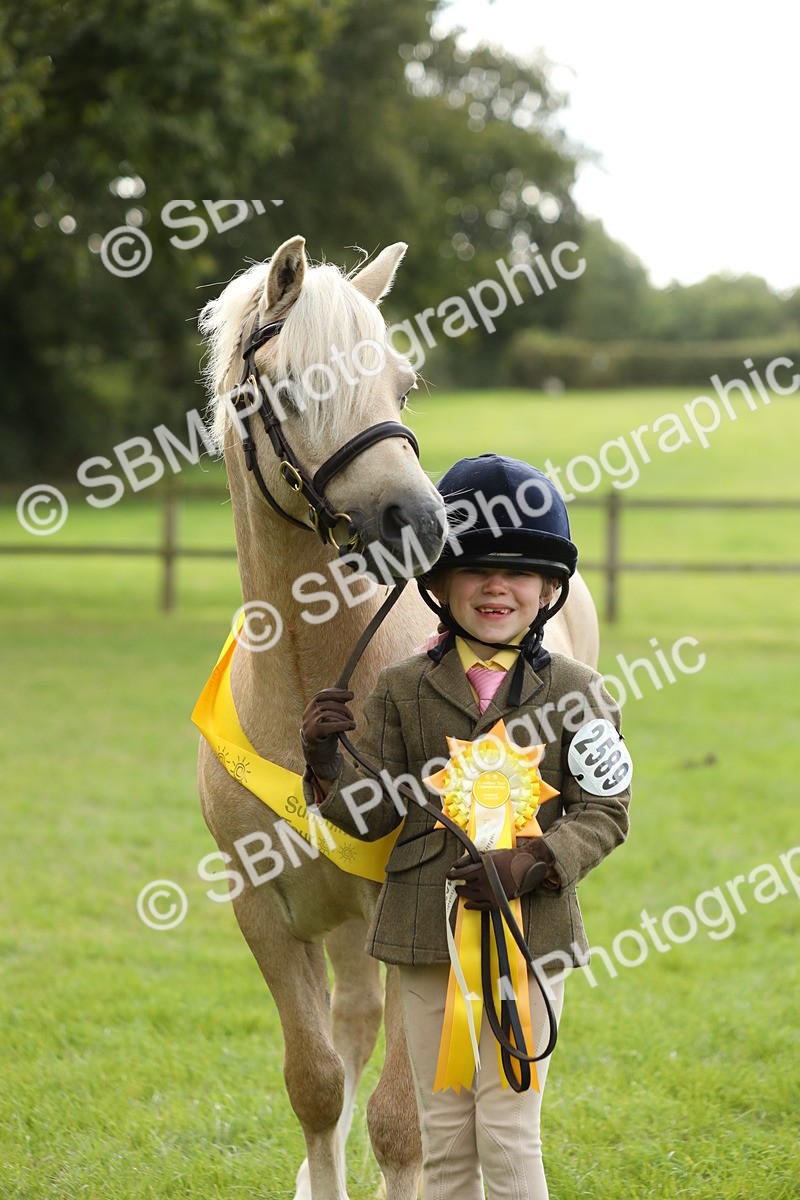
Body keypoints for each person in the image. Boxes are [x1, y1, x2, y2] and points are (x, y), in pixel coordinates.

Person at [300, 454, 631, 1200]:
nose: (495, 587)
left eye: (518, 572)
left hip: (529, 932)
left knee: (509, 1134)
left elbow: (606, 811)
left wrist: (532, 863)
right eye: (475, 569)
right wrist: (324, 765)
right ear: (439, 585)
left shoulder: (581, 692)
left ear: (550, 590)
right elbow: (374, 812)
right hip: (422, 932)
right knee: (443, 1137)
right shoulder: (400, 689)